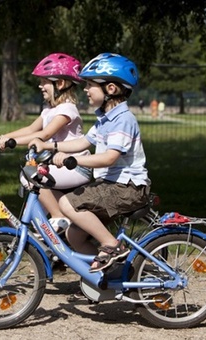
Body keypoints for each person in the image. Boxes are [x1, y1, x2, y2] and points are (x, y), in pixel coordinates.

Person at [29, 53, 151, 272]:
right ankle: (111, 275)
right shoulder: (105, 118)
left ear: (110, 89)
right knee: (74, 235)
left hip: (128, 187)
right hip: (112, 185)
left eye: (90, 85)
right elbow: (83, 141)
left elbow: (109, 157)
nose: (85, 89)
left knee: (67, 203)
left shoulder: (123, 119)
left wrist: (74, 160)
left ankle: (112, 245)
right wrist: (49, 146)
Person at [0, 52, 92, 231]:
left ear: (60, 84)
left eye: (44, 81)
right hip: (59, 167)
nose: (40, 85)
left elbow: (43, 134)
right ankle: (54, 237)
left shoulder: (67, 110)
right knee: (36, 215)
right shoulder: (50, 110)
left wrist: (9, 141)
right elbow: (30, 130)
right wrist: (2, 137)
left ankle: (58, 217)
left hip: (75, 166)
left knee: (29, 175)